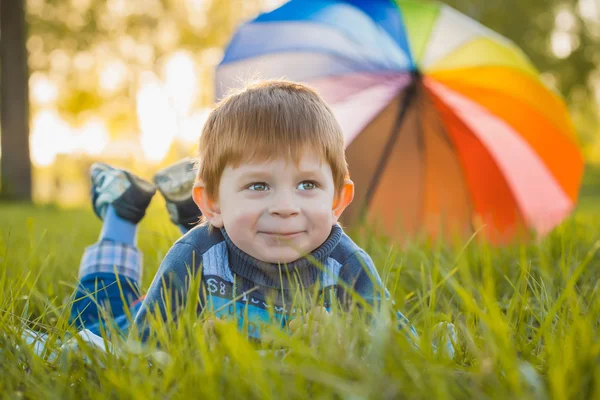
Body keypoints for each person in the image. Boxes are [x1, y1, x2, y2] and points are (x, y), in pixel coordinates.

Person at [68, 80, 454, 355]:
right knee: (96, 325)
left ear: (338, 200)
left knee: (241, 224)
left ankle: (191, 209)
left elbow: (401, 346)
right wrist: (190, 346)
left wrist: (344, 340)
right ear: (213, 202)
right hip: (143, 308)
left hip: (225, 223)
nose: (286, 206)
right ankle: (122, 212)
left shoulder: (347, 267)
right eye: (259, 186)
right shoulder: (194, 256)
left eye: (306, 185)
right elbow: (138, 346)